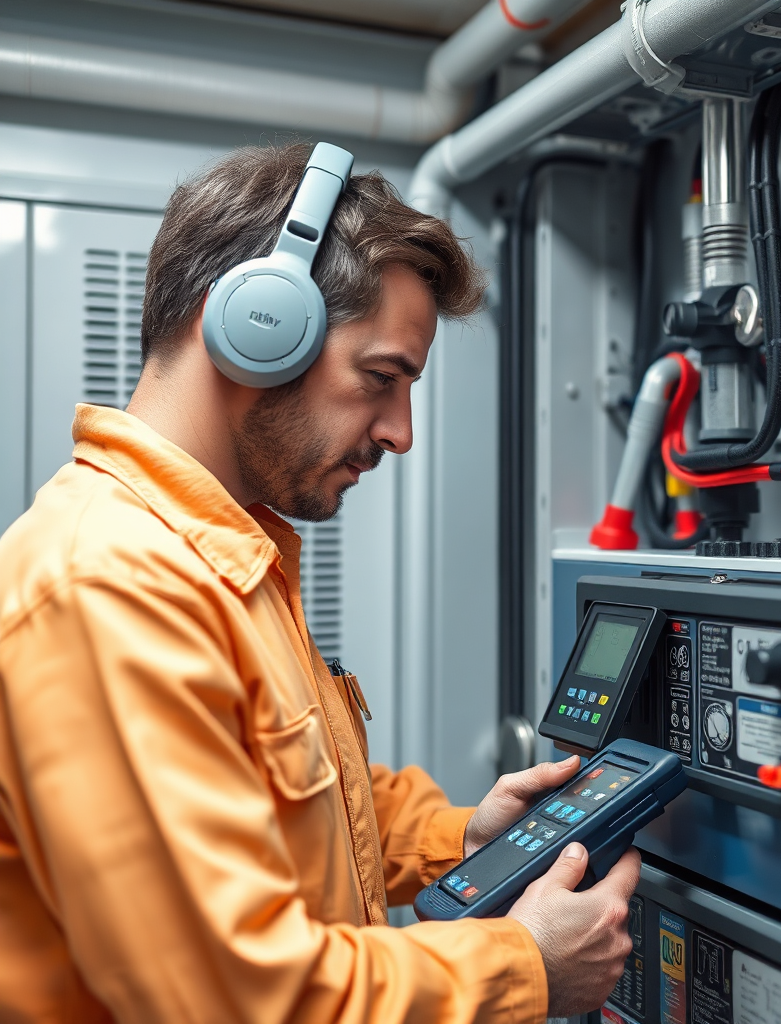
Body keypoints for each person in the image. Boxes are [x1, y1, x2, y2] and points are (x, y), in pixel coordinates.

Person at [0, 143, 640, 1024]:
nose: (401, 432)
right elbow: (233, 995)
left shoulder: (222, 555)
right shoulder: (110, 584)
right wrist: (524, 966)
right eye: (381, 379)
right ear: (255, 327)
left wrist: (462, 837)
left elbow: (280, 798)